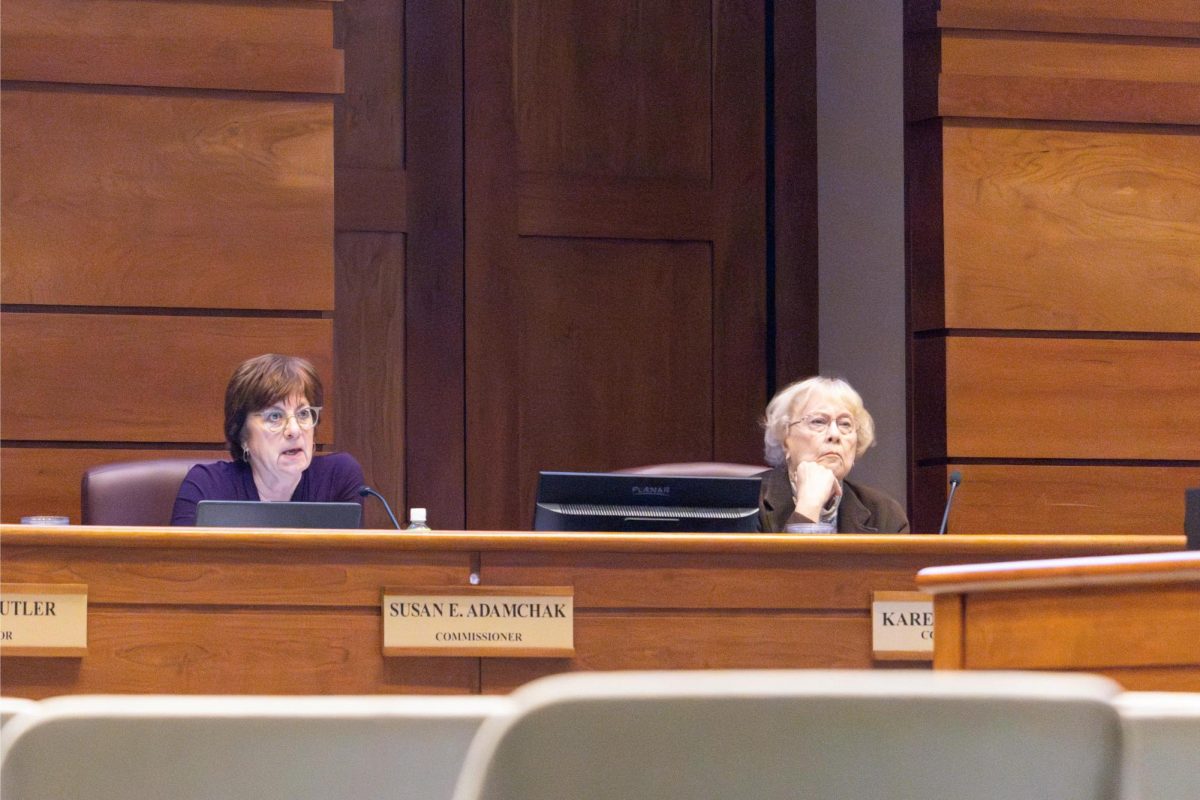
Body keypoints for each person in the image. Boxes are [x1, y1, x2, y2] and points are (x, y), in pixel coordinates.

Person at [170, 354, 364, 525]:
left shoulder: (338, 478)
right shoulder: (207, 487)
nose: (294, 430)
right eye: (274, 416)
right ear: (243, 435)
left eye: (303, 414)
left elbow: (348, 564)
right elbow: (180, 565)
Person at [759, 376, 909, 533]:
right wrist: (809, 505)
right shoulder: (745, 501)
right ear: (785, 439)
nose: (835, 434)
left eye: (845, 424)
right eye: (818, 421)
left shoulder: (885, 514)